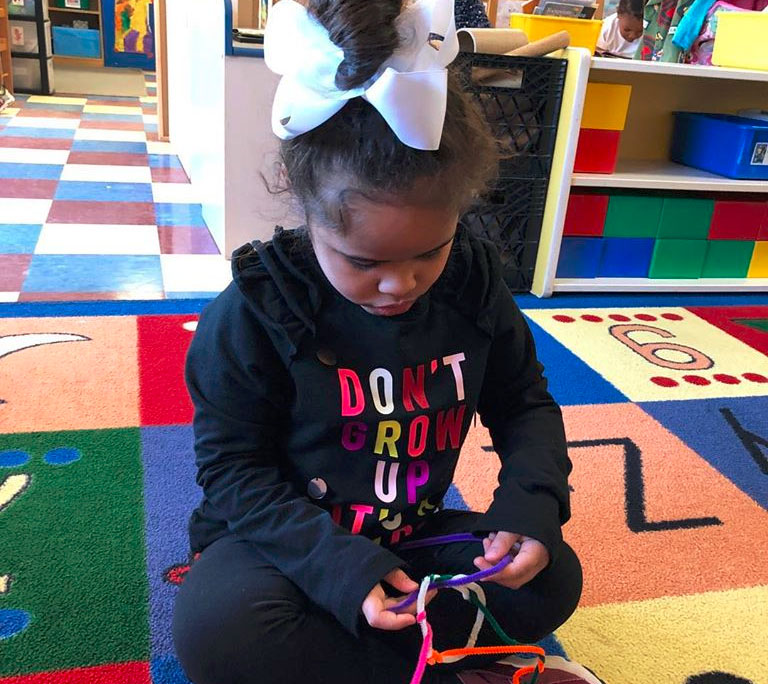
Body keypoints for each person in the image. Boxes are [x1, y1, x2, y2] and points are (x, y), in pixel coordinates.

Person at [172, 1, 597, 682]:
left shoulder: (472, 286)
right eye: (363, 263)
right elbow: (234, 476)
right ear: (308, 214)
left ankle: (399, 662)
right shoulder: (254, 312)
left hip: (412, 539)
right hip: (287, 550)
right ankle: (451, 669)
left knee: (554, 578)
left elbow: (523, 405)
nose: (400, 285)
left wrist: (531, 506)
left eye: (430, 252)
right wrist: (343, 569)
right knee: (218, 634)